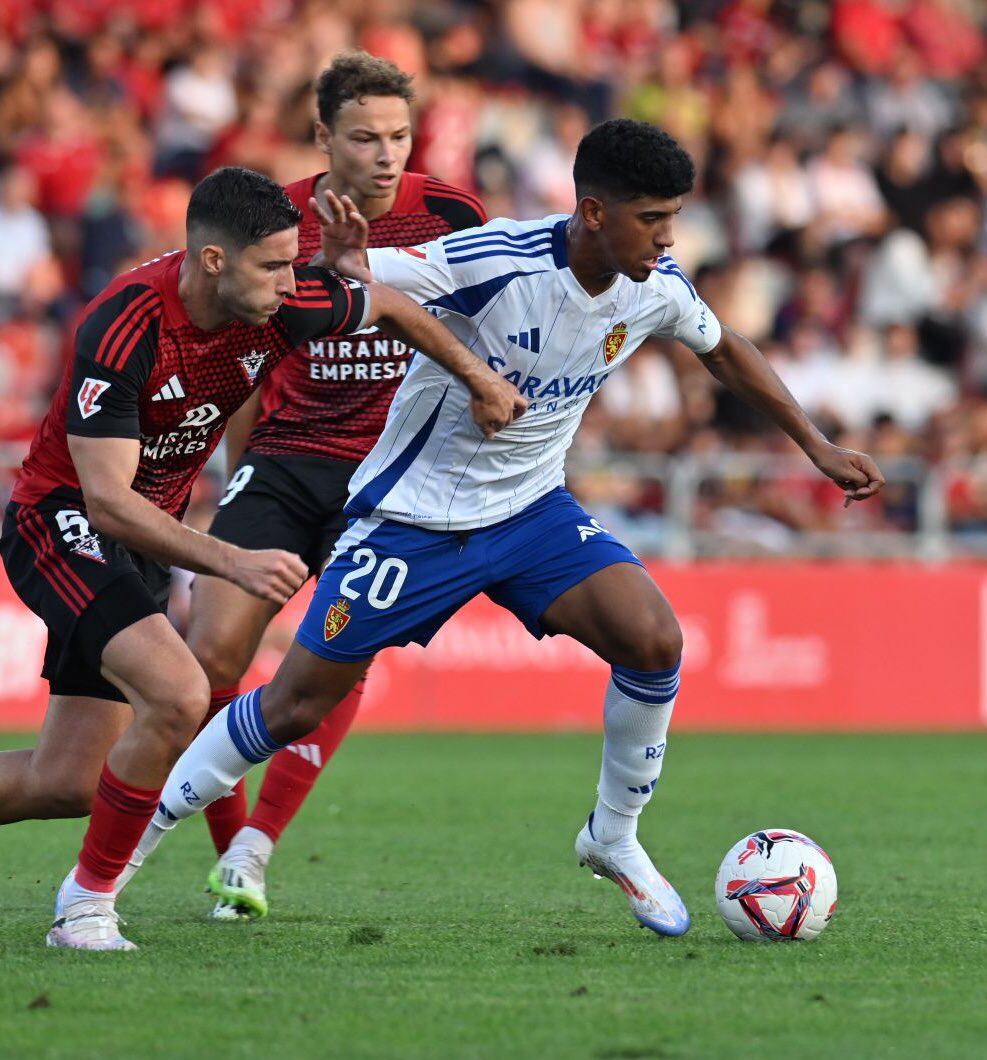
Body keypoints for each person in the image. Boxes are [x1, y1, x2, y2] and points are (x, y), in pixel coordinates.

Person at [134, 121, 885, 942]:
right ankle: (123, 855)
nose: (668, 236)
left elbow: (725, 349)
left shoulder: (657, 283)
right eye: (652, 218)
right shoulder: (495, 259)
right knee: (291, 704)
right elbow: (366, 277)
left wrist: (815, 444)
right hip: (409, 519)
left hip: (530, 512)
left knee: (652, 638)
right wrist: (348, 260)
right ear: (593, 212)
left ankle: (612, 835)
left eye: (674, 216)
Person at [0, 164, 522, 951]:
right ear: (213, 261)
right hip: (63, 521)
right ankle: (85, 906)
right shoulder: (123, 322)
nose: (292, 281)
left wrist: (479, 377)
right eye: (275, 265)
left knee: (68, 780)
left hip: (146, 532)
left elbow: (385, 304)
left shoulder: (282, 304)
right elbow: (104, 498)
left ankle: (91, 890)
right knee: (179, 692)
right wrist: (229, 561)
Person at [147, 52, 488, 921]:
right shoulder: (278, 218)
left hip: (393, 470)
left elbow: (483, 336)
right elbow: (237, 348)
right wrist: (232, 463)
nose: (385, 155)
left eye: (399, 137)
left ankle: (253, 848)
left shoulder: (451, 214)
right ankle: (231, 851)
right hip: (288, 455)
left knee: (339, 652)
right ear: (323, 136)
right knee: (212, 656)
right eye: (365, 137)